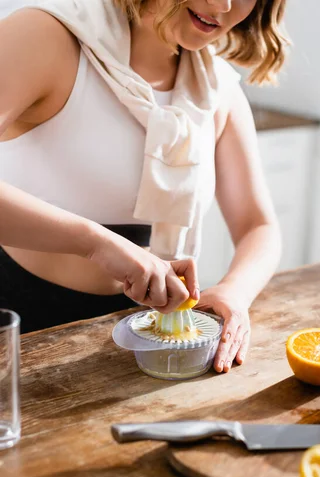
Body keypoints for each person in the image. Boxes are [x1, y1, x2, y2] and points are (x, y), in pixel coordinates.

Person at [0, 0, 287, 372]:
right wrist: (95, 242)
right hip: (16, 323)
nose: (223, 5)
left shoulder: (219, 90)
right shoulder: (45, 35)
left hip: (142, 340)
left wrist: (235, 290)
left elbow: (258, 226)